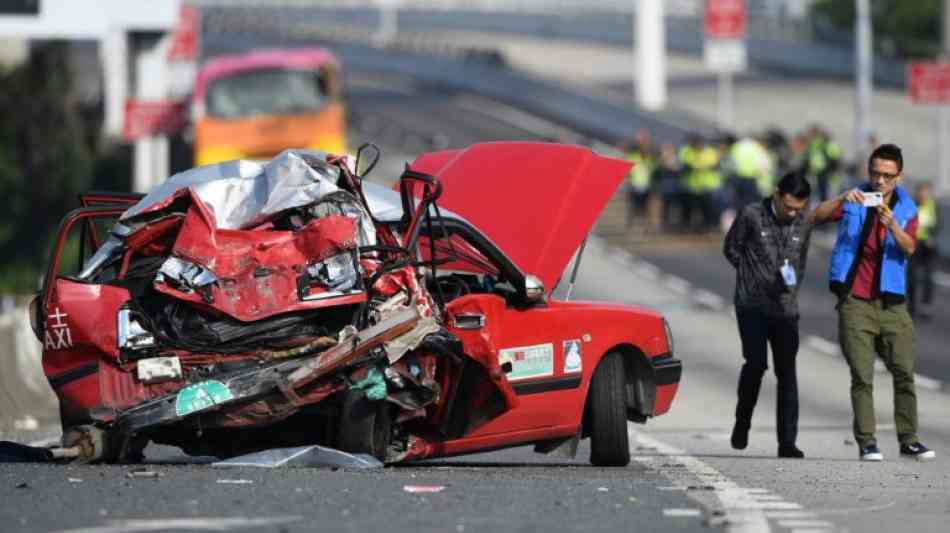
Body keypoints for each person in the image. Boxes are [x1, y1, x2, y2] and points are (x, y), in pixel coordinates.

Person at [809, 143, 936, 461]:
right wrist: (842, 198)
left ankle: (909, 439)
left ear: (899, 177)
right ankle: (867, 442)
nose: (880, 182)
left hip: (892, 304)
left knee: (904, 372)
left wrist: (892, 223)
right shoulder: (854, 200)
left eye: (888, 176)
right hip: (856, 301)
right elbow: (816, 216)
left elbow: (909, 248)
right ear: (869, 172)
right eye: (876, 174)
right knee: (862, 375)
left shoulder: (907, 209)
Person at [723, 172, 813, 458]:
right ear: (777, 194)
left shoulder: (803, 224)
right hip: (751, 304)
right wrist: (750, 274)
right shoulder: (752, 214)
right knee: (756, 363)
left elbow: (801, 264)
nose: (792, 212)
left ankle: (787, 441)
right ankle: (742, 422)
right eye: (788, 206)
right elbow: (731, 248)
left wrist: (791, 289)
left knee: (787, 372)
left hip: (785, 309)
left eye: (798, 208)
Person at [908, 182, 939, 318]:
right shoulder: (912, 206)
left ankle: (926, 305)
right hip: (914, 245)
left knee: (928, 277)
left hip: (928, 246)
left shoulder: (933, 207)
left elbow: (938, 226)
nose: (922, 196)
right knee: (912, 276)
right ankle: (912, 306)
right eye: (920, 193)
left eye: (924, 193)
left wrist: (932, 237)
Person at [623, 129, 656, 230]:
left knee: (645, 208)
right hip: (634, 185)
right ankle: (631, 226)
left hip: (646, 185)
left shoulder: (651, 158)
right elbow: (628, 170)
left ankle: (645, 226)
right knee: (633, 207)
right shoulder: (633, 156)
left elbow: (654, 170)